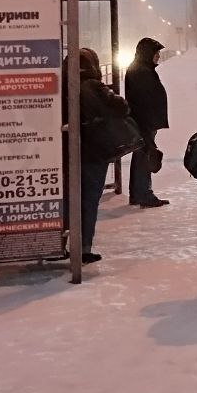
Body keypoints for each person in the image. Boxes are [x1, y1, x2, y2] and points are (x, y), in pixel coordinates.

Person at [68, 47, 128, 264]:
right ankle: (83, 248)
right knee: (89, 198)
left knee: (68, 198)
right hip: (94, 151)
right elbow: (121, 107)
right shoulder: (93, 86)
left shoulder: (62, 86)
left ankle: (61, 242)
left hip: (67, 150)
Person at [123, 37, 169, 208]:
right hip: (144, 121)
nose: (158, 56)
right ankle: (143, 194)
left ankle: (138, 193)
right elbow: (143, 100)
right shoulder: (141, 72)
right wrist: (147, 123)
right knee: (145, 155)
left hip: (144, 120)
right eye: (156, 53)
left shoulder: (142, 69)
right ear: (147, 53)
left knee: (142, 155)